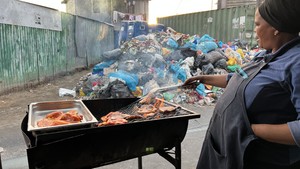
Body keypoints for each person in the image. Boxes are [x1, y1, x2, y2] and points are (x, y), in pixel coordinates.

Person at [183, 0, 300, 168]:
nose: (255, 30)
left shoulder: (296, 63)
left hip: (260, 158)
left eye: (258, 24)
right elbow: (239, 79)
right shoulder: (265, 54)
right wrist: (203, 78)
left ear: (276, 28)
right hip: (228, 146)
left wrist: (252, 129)